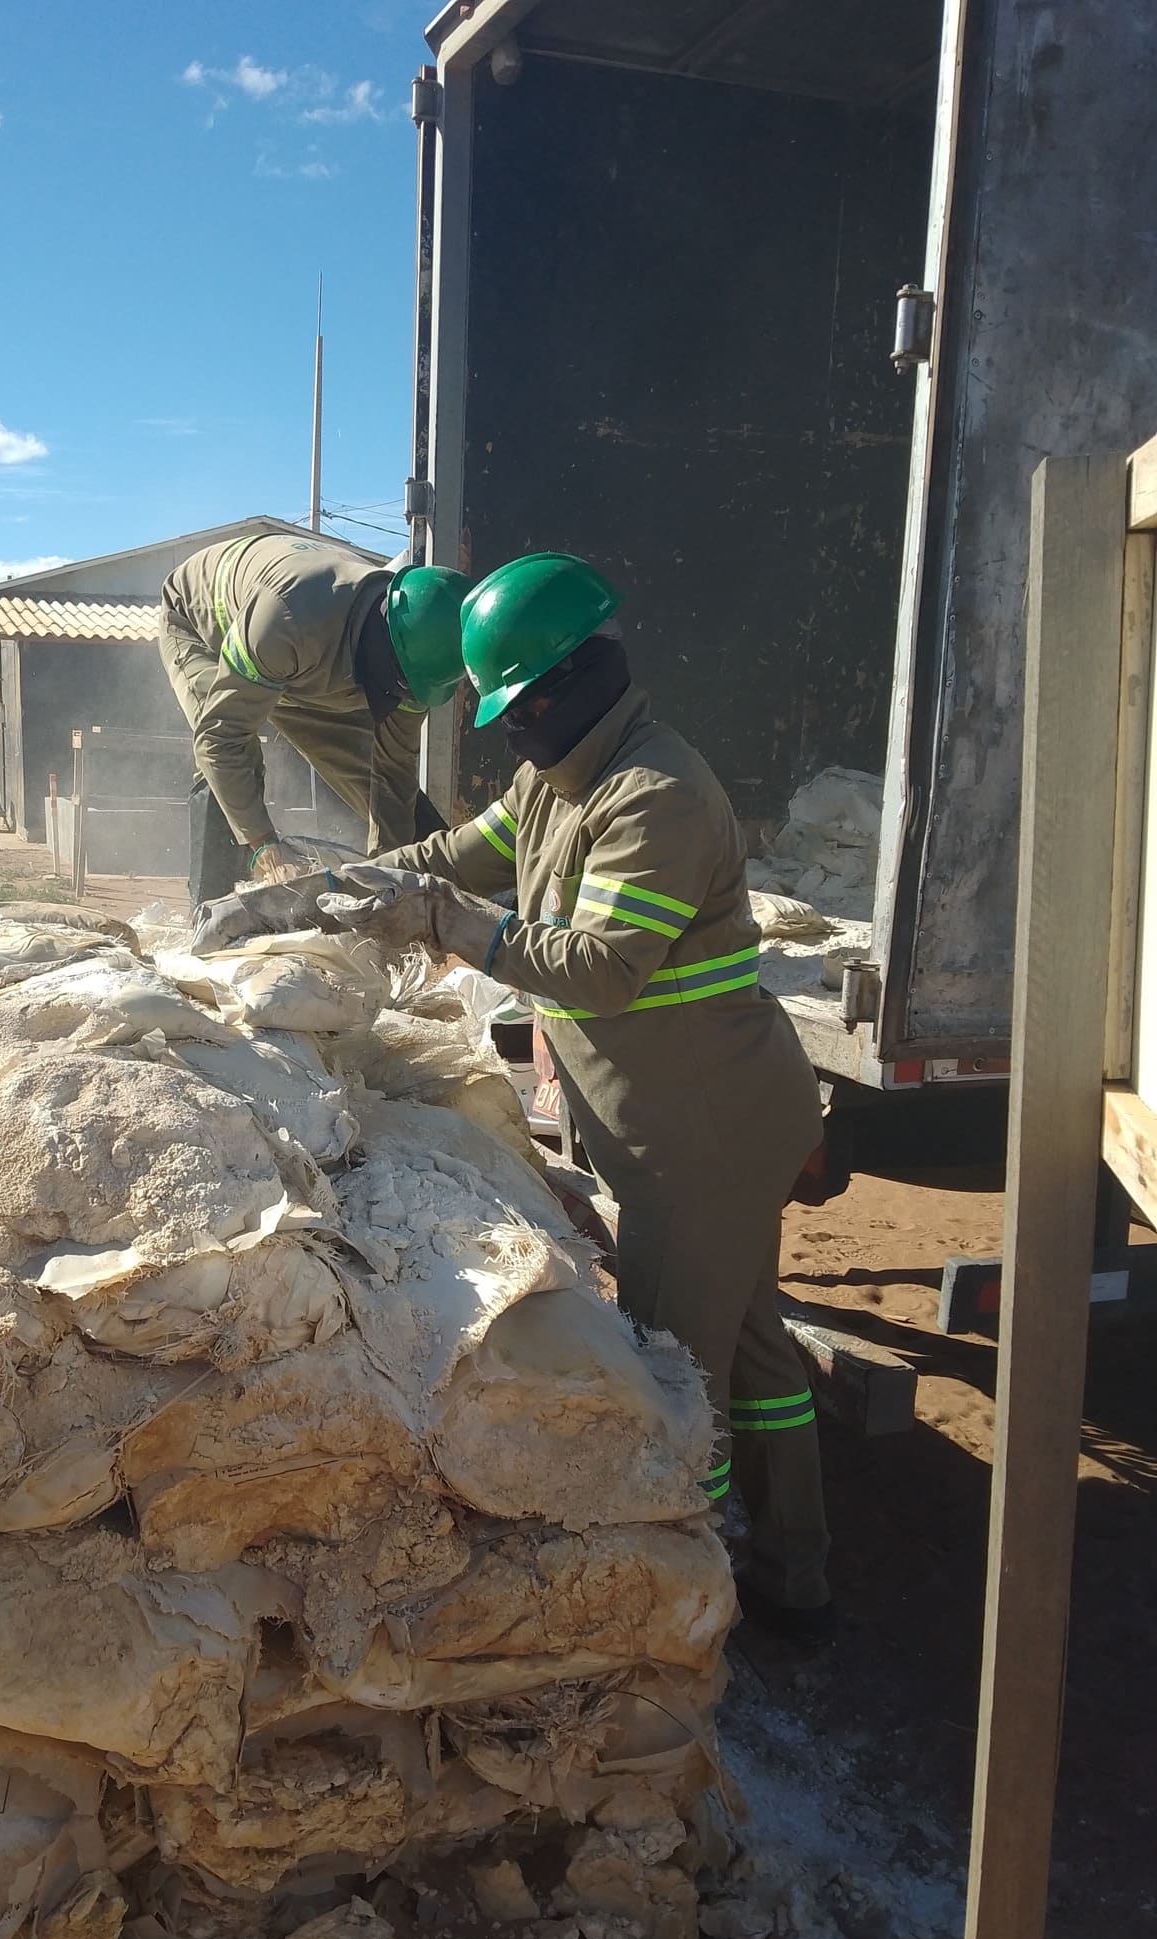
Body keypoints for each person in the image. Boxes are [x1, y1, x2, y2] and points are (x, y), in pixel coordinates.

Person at [310, 553, 833, 1638]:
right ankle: (793, 1566)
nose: (507, 729)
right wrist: (360, 886)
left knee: (669, 1369)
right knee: (752, 1346)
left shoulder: (657, 794)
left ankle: (682, 1588)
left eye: (516, 705)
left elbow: (602, 965)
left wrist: (450, 924)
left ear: (569, 684)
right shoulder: (563, 779)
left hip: (705, 1137)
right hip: (680, 1117)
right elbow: (467, 853)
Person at [157, 530, 471, 907]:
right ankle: (211, 917)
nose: (400, 700)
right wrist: (263, 845)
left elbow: (393, 773)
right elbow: (220, 741)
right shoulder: (286, 619)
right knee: (233, 760)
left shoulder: (419, 663)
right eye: (397, 686)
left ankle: (452, 893)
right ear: (382, 646)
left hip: (297, 654)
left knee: (371, 775)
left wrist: (392, 879)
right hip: (200, 623)